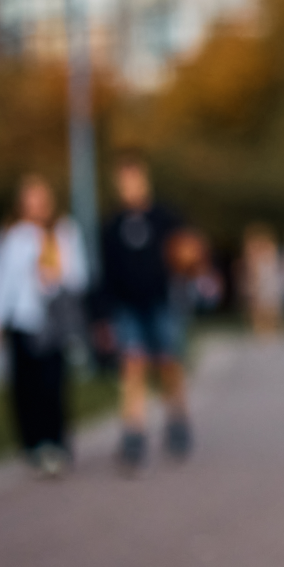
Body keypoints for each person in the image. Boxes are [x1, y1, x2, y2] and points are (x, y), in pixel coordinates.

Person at [0, 173, 88, 477]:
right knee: (24, 387)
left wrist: (56, 276)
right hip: (22, 320)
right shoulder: (12, 235)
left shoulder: (63, 232)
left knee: (52, 384)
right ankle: (33, 444)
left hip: (52, 322)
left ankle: (56, 442)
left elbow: (79, 276)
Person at [95, 154, 195, 473]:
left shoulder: (165, 217)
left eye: (134, 178)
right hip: (127, 306)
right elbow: (105, 274)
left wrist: (190, 261)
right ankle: (133, 432)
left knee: (168, 363)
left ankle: (177, 419)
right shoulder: (111, 226)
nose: (130, 185)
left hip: (161, 301)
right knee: (133, 365)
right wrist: (102, 316)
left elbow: (187, 251)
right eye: (124, 180)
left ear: (144, 179)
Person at [237, 223, 284, 338]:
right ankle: (261, 330)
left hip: (268, 280)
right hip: (260, 280)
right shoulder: (253, 250)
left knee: (271, 305)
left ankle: (272, 329)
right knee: (258, 305)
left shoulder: (269, 249)